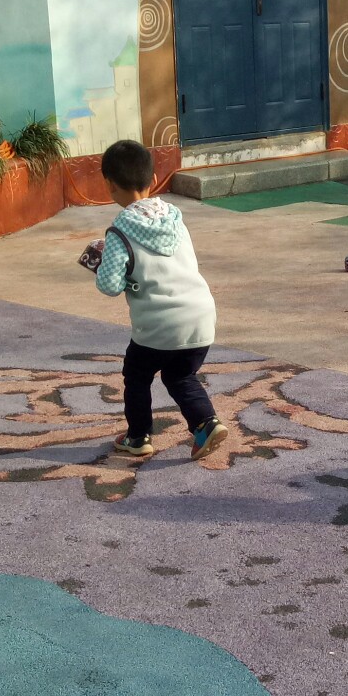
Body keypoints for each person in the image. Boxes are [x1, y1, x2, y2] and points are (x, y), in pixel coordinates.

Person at [81, 139, 230, 461]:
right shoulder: (175, 218)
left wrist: (103, 263)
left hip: (159, 323)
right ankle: (206, 423)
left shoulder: (119, 232)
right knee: (180, 375)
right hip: (200, 315)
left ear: (109, 184)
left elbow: (109, 285)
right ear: (153, 178)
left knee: (137, 375)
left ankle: (138, 437)